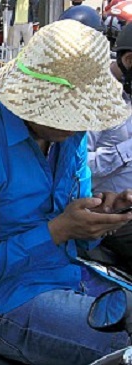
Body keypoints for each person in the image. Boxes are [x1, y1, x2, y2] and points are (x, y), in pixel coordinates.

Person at [0, 20, 132, 364]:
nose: (79, 126)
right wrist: (57, 231)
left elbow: (78, 232)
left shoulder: (69, 134)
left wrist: (101, 217)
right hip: (0, 301)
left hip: (68, 274)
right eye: (70, 114)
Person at [87, 22, 132, 269]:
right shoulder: (96, 98)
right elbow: (76, 166)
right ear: (129, 59)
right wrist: (125, 151)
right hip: (111, 213)